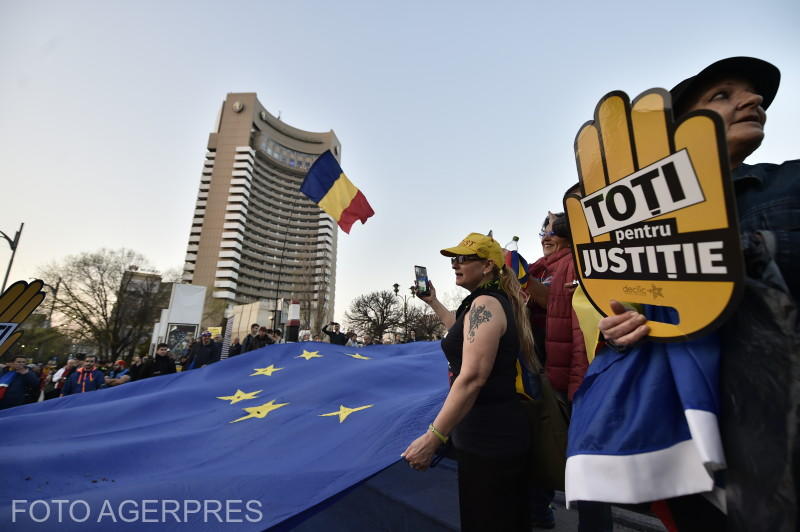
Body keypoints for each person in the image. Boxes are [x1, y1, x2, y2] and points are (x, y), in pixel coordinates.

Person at [597, 57, 797, 531]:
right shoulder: (641, 224)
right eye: (723, 95)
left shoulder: (789, 184)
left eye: (754, 95)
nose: (754, 101)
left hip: (778, 438)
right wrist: (622, 330)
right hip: (690, 442)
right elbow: (632, 317)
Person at [402, 232, 537, 532]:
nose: (454, 264)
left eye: (463, 258)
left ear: (488, 266)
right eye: (453, 259)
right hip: (487, 435)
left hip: (492, 439)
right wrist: (433, 301)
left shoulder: (485, 304)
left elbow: (473, 376)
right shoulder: (479, 303)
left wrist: (434, 437)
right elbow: (460, 333)